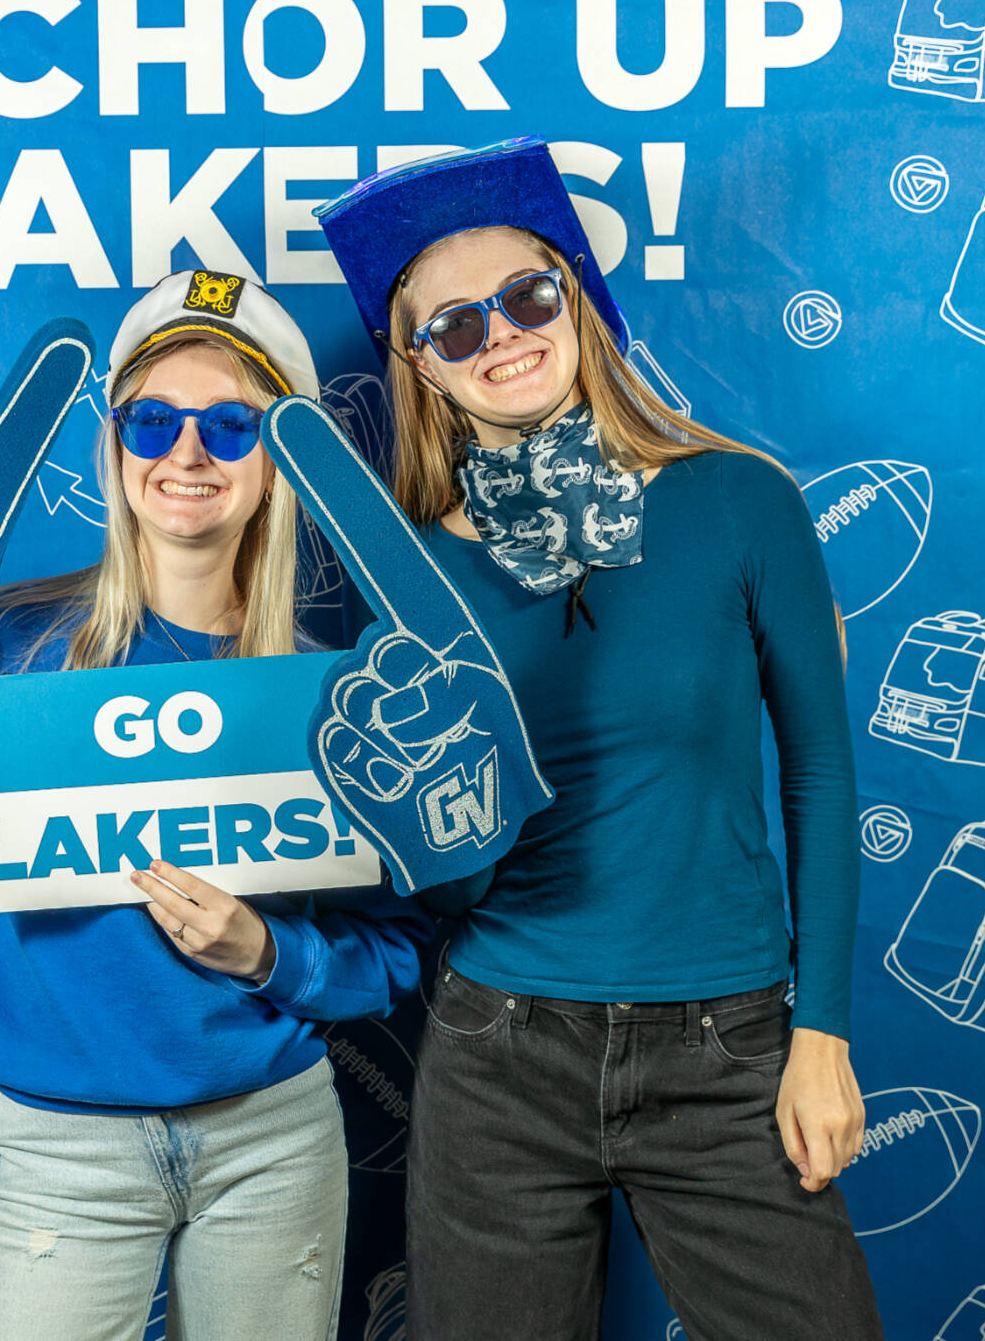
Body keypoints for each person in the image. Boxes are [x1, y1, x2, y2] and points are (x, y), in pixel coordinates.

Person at [0, 271, 433, 1341]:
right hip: (59, 1150)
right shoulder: (10, 651)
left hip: (271, 1136)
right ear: (115, 451)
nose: (186, 453)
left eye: (229, 424)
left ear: (277, 465)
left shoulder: (332, 694)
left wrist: (266, 950)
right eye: (151, 420)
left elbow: (395, 952)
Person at [314, 140, 883, 1339]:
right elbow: (455, 881)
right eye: (454, 327)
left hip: (729, 1042)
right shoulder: (412, 573)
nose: (502, 337)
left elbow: (820, 772)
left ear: (574, 300)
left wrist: (819, 1030)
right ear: (419, 369)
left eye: (526, 297)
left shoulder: (738, 500)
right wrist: (439, 824)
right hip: (498, 1051)